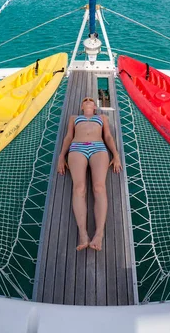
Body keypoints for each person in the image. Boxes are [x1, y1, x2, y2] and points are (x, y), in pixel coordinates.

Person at [57, 97, 122, 251]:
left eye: (90, 100)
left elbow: (107, 136)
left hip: (98, 148)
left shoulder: (101, 118)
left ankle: (99, 234)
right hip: (77, 148)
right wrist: (61, 156)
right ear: (81, 106)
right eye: (85, 100)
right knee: (79, 188)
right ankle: (83, 234)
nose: (87, 100)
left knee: (99, 188)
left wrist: (116, 155)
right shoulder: (74, 118)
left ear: (94, 107)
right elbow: (68, 137)